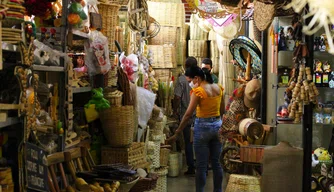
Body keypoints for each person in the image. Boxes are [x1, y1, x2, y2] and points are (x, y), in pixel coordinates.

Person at [168, 65, 225, 192]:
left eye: (190, 81)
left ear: (197, 78)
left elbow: (188, 114)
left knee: (201, 166)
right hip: (217, 126)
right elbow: (222, 110)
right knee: (216, 163)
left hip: (203, 129)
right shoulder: (218, 88)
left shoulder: (198, 91)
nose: (190, 84)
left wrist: (177, 132)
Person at [173, 56, 197, 175]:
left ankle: (191, 167)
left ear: (186, 66)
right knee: (199, 142)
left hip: (186, 116)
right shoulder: (199, 79)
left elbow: (177, 97)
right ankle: (202, 166)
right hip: (199, 116)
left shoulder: (182, 80)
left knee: (188, 142)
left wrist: (175, 110)